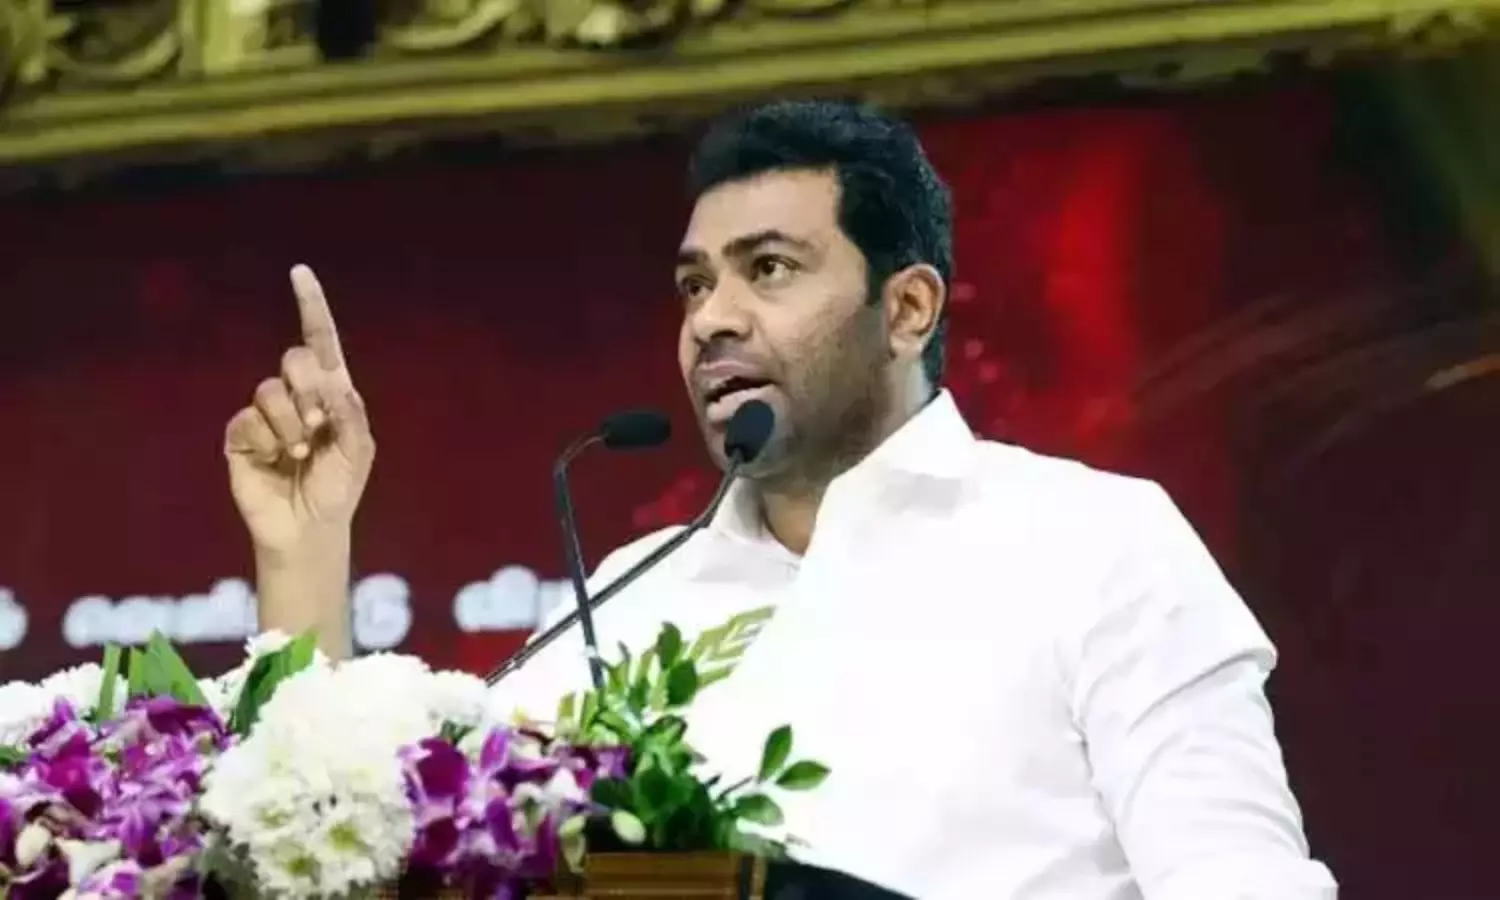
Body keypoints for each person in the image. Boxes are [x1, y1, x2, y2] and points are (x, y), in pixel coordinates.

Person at [225, 101, 1337, 900]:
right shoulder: (630, 597)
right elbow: (398, 846)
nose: (711, 318)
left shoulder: (1093, 543)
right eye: (694, 284)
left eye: (768, 269)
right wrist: (307, 552)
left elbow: (1240, 881)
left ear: (907, 310)